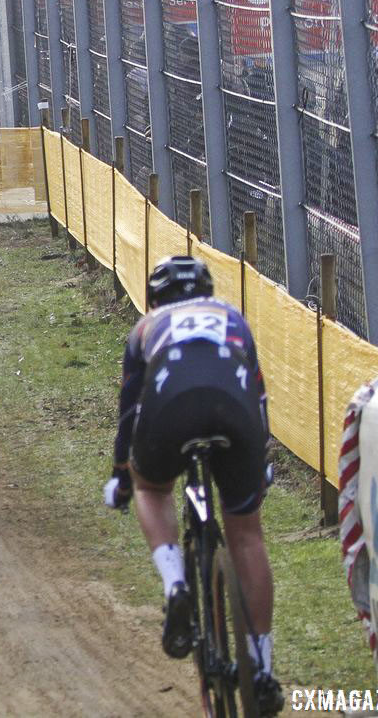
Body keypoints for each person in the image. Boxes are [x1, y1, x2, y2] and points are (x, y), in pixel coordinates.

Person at [104, 256, 282, 717]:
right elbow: (259, 397)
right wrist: (259, 461)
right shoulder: (233, 317)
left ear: (155, 298)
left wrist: (123, 474)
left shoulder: (146, 327)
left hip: (170, 409)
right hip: (235, 413)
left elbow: (129, 410)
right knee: (246, 534)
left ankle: (176, 583)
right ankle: (262, 669)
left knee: (152, 488)